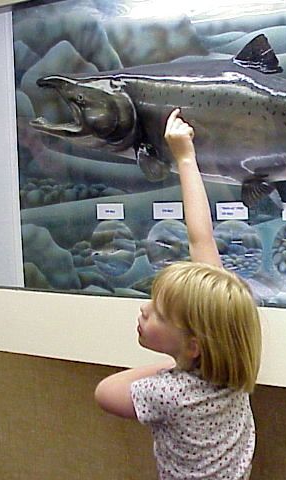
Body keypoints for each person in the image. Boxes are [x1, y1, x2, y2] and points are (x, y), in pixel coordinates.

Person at [94, 109, 262, 479]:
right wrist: (185, 158)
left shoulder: (168, 393)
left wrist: (172, 367)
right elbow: (201, 240)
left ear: (194, 346)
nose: (144, 310)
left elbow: (105, 392)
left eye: (158, 312)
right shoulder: (230, 373)